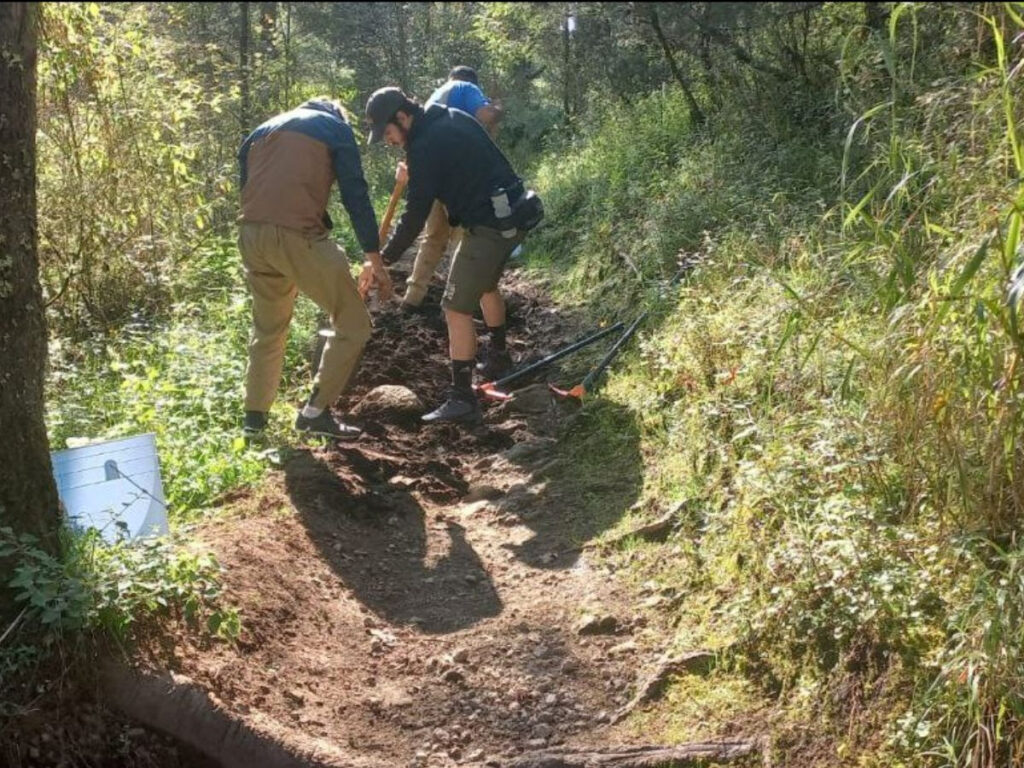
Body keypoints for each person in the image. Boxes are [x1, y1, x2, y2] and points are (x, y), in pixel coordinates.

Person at [365, 87, 542, 424]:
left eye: (388, 132)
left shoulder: (425, 145)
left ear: (403, 118)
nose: (389, 142)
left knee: (455, 307)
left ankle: (462, 399)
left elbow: (415, 215)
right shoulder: (451, 117)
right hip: (513, 212)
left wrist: (382, 259)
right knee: (485, 285)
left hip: (490, 225)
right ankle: (499, 356)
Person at [237, 98, 392, 439]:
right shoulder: (335, 128)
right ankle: (314, 413)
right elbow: (355, 193)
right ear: (336, 114)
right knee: (353, 324)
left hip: (250, 235)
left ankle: (254, 422)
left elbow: (248, 184)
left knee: (268, 329)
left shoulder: (261, 131)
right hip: (295, 236)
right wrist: (373, 254)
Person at [401, 65, 504, 311]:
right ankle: (463, 300)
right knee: (465, 238)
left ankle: (413, 297)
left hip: (435, 175)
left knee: (434, 236)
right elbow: (486, 116)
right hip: (461, 179)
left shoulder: (433, 100)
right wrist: (498, 108)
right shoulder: (465, 87)